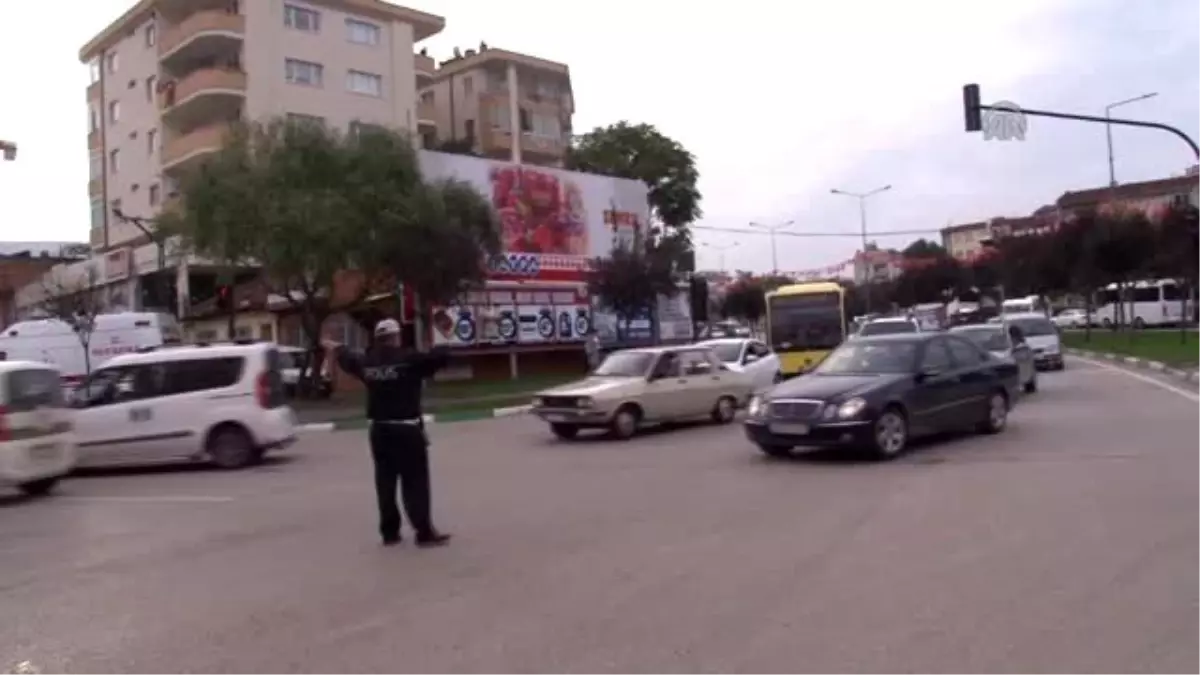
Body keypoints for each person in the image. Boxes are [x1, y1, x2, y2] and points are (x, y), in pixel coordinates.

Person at [323, 318, 452, 548]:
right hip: (407, 430)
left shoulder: (367, 362)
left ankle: (390, 533)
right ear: (396, 337)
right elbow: (440, 358)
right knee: (415, 482)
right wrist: (446, 335)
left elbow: (347, 358)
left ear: (377, 338)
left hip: (379, 431)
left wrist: (335, 347)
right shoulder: (408, 359)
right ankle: (423, 532)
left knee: (385, 482)